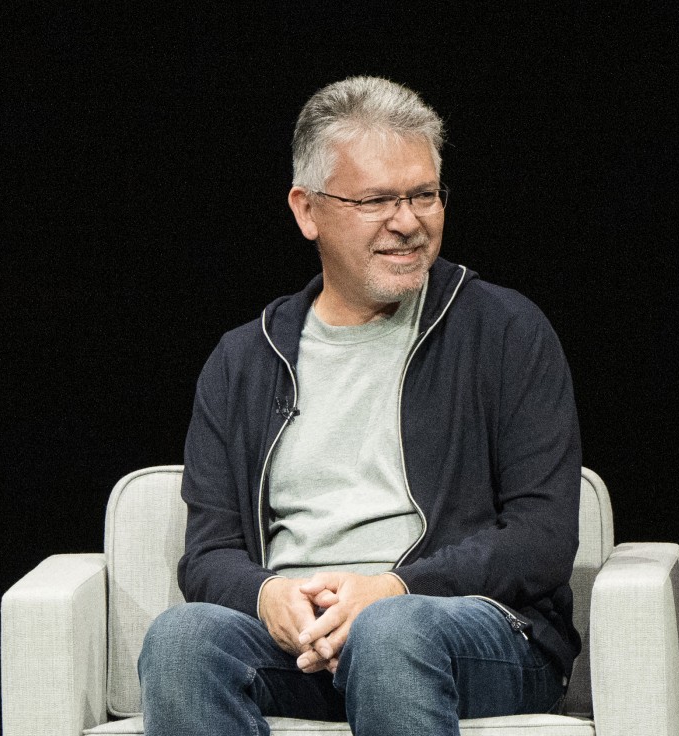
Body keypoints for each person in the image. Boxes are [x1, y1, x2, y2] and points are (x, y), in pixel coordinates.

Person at [138, 76, 582, 736]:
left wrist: (393, 591)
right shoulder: (243, 361)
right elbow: (209, 555)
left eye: (424, 196)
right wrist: (268, 597)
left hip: (474, 634)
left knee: (390, 633)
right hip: (307, 646)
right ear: (307, 210)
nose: (407, 222)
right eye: (377, 200)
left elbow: (542, 541)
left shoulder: (504, 332)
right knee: (182, 640)